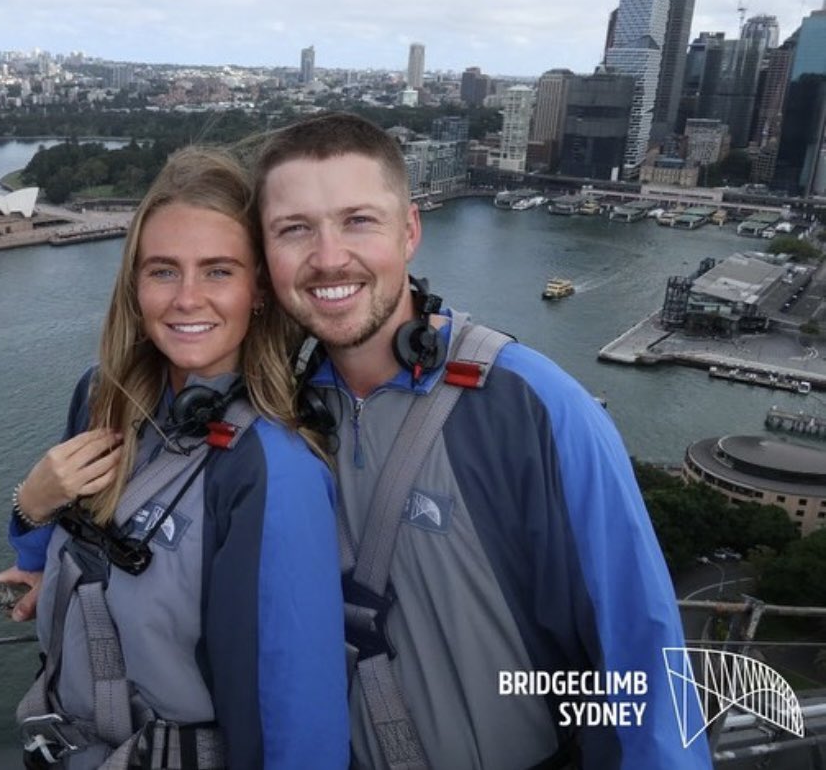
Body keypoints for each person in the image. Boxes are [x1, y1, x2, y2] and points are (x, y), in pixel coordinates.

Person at [251, 112, 711, 769]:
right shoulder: (282, 412)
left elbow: (640, 657)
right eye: (294, 230)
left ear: (409, 230)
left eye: (359, 220)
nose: (328, 257)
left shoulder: (536, 408)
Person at [0, 146, 350, 770]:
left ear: (260, 290)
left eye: (218, 271)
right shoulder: (102, 394)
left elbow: (298, 714)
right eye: (163, 271)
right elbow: (66, 527)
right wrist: (29, 518)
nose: (187, 298)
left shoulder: (272, 469)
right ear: (134, 285)